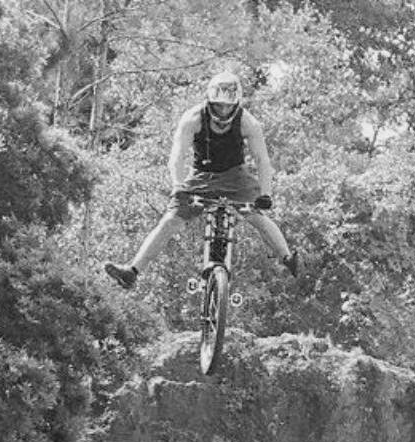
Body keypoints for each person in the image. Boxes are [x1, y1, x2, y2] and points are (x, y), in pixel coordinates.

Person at [104, 71, 298, 289]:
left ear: (236, 104)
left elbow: (262, 160)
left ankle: (287, 258)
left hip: (236, 177)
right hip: (200, 177)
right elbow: (177, 156)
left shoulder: (248, 122)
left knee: (256, 216)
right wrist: (178, 185)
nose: (223, 111)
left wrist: (266, 194)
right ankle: (132, 271)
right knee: (171, 220)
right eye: (218, 106)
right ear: (209, 102)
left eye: (228, 106)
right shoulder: (193, 119)